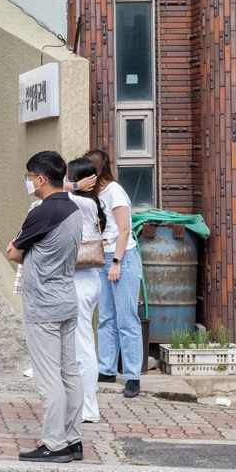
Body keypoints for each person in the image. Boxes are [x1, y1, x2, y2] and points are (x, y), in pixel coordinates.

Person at [6, 151, 84, 462]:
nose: (28, 182)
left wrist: (20, 248)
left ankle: (55, 444)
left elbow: (14, 252)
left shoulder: (42, 212)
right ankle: (73, 439)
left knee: (49, 377)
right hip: (67, 299)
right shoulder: (74, 209)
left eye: (29, 177)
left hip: (43, 306)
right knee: (70, 373)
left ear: (40, 179)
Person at [86, 148, 144, 398]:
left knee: (127, 319)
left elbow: (124, 230)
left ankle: (133, 376)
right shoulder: (94, 193)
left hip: (123, 257)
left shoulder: (114, 191)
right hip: (102, 257)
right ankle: (107, 368)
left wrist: (117, 262)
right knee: (106, 316)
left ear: (96, 171)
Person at [66, 156, 106, 422]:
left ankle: (89, 408)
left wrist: (73, 186)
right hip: (90, 278)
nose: (67, 181)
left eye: (71, 176)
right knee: (83, 342)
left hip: (80, 279)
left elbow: (48, 190)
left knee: (82, 345)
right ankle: (84, 404)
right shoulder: (93, 203)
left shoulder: (77, 201)